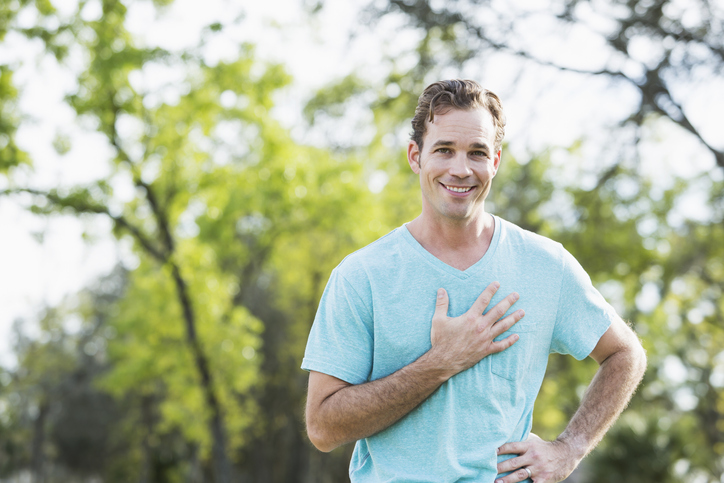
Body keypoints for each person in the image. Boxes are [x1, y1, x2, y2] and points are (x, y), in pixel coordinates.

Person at [301, 79, 646, 483]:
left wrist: (569, 448)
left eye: (477, 153)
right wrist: (441, 363)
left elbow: (625, 355)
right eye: (444, 150)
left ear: (495, 161)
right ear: (416, 156)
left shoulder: (546, 265)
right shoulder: (362, 276)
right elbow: (323, 427)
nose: (461, 169)